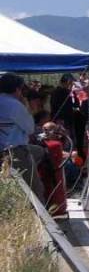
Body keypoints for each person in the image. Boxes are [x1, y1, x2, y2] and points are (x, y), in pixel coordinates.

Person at [0, 73, 45, 202]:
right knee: (35, 190)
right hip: (14, 151)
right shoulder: (15, 105)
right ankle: (40, 220)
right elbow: (30, 128)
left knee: (38, 151)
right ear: (17, 89)